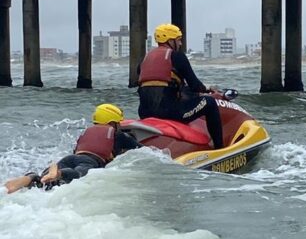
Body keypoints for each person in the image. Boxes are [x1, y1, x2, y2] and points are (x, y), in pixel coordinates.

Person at [3, 103, 141, 194]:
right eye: (118, 123)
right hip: (89, 162)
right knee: (77, 175)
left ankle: (30, 178)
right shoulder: (119, 135)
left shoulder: (88, 132)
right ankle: (57, 173)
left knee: (45, 182)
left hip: (70, 159)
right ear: (112, 123)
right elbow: (145, 150)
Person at [137, 23, 223, 149]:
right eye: (178, 40)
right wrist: (207, 90)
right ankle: (220, 148)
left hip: (144, 113)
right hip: (169, 113)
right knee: (209, 103)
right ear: (170, 41)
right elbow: (195, 85)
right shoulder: (177, 56)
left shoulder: (145, 59)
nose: (181, 44)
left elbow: (159, 85)